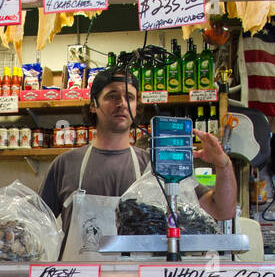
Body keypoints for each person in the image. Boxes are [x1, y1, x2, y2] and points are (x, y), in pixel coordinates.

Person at [38, 66, 238, 257]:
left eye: (129, 97)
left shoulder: (156, 166)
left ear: (136, 106)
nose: (122, 103)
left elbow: (221, 210)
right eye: (112, 96)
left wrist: (223, 164)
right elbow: (35, 225)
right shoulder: (65, 164)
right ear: (93, 105)